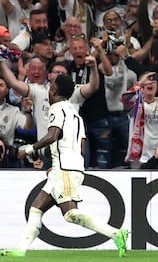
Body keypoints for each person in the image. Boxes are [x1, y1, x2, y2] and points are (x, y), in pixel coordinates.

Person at [0, 74, 128, 258]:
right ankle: (20, 251)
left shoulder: (57, 109)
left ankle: (115, 233)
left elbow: (53, 135)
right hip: (64, 167)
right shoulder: (75, 113)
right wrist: (58, 165)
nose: (48, 89)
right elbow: (81, 146)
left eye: (50, 86)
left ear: (54, 90)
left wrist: (29, 150)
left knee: (70, 215)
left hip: (65, 168)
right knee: (36, 209)